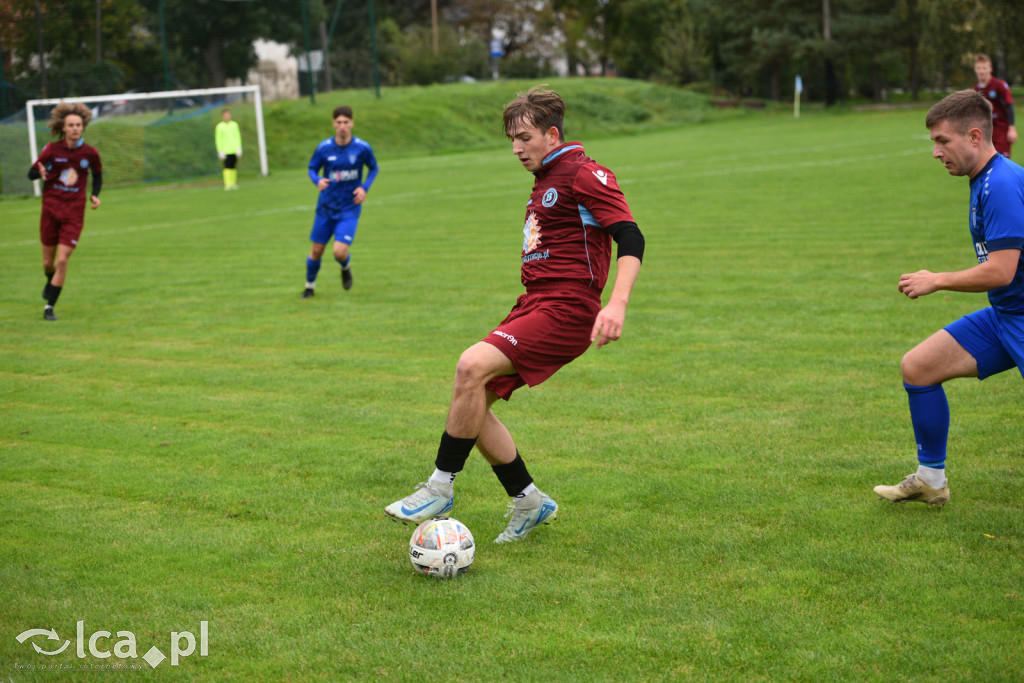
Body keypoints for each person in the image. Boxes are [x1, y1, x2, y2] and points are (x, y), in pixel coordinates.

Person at [384, 86, 645, 543]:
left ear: (552, 133)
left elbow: (631, 236)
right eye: (511, 139)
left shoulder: (585, 173)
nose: (516, 148)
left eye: (524, 137)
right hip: (534, 302)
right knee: (473, 399)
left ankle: (440, 487)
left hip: (567, 307)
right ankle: (528, 500)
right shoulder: (546, 178)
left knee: (470, 366)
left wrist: (617, 302)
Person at [874, 90, 1024, 508]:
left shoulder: (1002, 184)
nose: (936, 152)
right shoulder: (984, 181)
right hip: (1007, 314)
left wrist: (937, 279)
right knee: (919, 366)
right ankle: (930, 481)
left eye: (943, 141)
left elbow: (1001, 270)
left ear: (974, 136)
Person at [27, 102, 103, 322]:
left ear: (83, 127)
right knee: (47, 263)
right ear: (63, 127)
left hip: (74, 213)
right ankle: (50, 282)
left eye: (78, 125)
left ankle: (49, 306)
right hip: (50, 211)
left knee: (62, 261)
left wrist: (95, 194)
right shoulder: (51, 150)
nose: (75, 128)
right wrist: (38, 171)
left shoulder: (90, 153)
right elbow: (31, 174)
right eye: (71, 125)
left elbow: (97, 175)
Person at [302, 105, 378, 298]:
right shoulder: (324, 148)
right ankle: (309, 286)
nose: (342, 126)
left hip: (349, 208)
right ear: (333, 124)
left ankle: (345, 266)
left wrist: (364, 187)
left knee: (339, 251)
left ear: (352, 123)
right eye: (339, 122)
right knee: (317, 250)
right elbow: (312, 169)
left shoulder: (362, 148)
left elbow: (374, 168)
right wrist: (317, 180)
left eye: (346, 122)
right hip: (326, 207)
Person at [973, 54, 1017, 158]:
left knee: (1001, 163)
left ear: (990, 69)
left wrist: (1012, 128)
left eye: (984, 68)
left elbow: (1009, 106)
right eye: (979, 68)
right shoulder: (974, 90)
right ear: (975, 70)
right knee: (985, 165)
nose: (981, 71)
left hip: (1001, 132)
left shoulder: (1000, 85)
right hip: (984, 134)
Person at [215, 108, 242, 190]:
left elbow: (237, 137)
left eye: (228, 115)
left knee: (233, 166)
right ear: (223, 116)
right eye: (225, 115)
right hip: (225, 150)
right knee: (227, 167)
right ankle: (227, 184)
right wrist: (220, 150)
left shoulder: (234, 125)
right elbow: (218, 139)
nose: (227, 116)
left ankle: (233, 183)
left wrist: (239, 147)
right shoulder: (220, 126)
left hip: (233, 149)